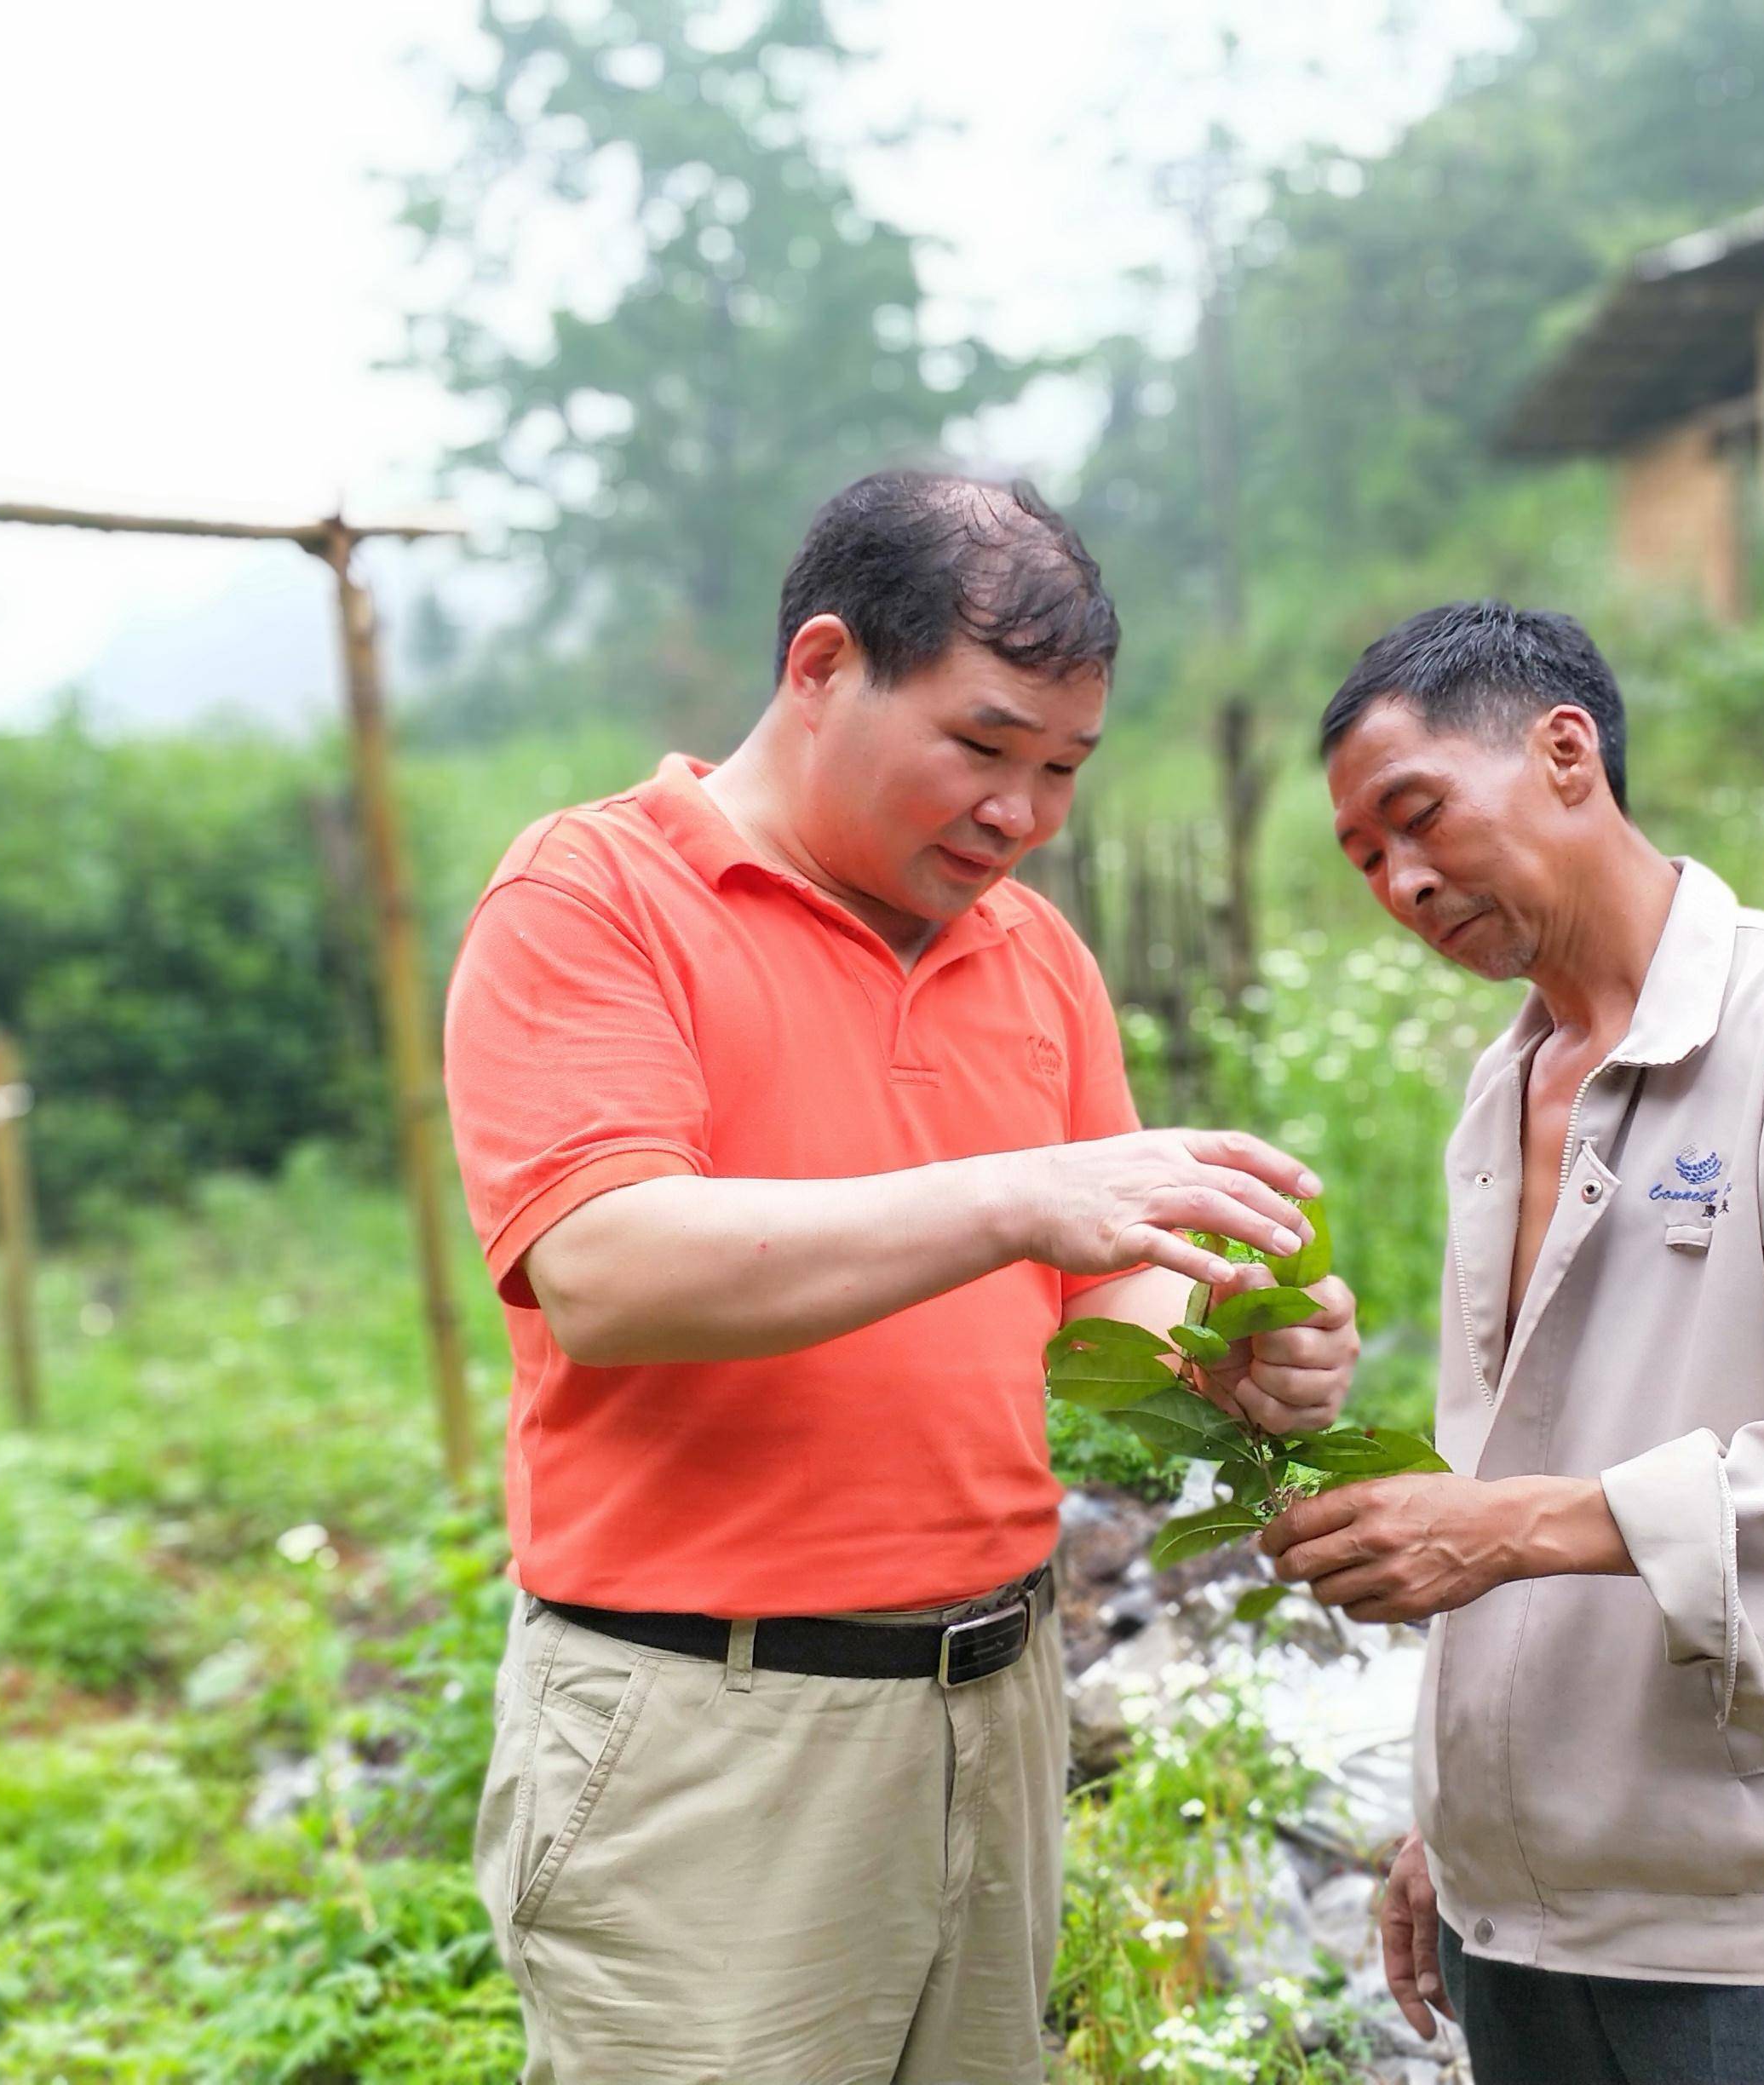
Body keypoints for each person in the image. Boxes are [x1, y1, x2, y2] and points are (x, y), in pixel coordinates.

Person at [441, 470, 1359, 2084]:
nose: (1022, 812)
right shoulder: (595, 899)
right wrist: (1014, 1196)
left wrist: (1226, 1354)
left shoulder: (1036, 956)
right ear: (820, 668)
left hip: (993, 1705)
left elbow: (1104, 1303)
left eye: (1063, 769)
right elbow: (606, 1266)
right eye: (983, 746)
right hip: (710, 1733)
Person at [1263, 600, 1764, 2085]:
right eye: (1365, 860)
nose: (1404, 882)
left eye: (1417, 819)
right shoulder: (1506, 1085)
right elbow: (1530, 1454)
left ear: (1565, 752)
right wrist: (1474, 1828)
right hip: (1533, 1932)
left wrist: (1497, 1534)